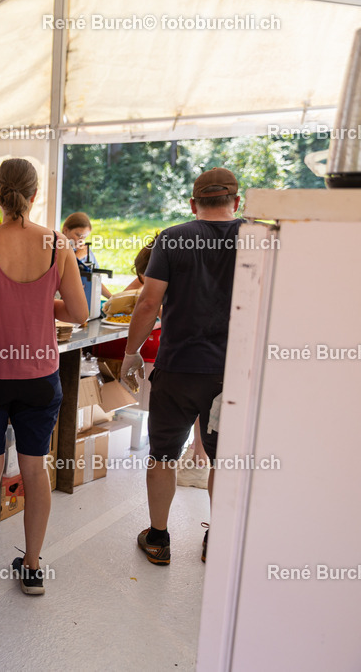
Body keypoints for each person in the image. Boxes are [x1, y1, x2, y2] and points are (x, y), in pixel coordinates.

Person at [0, 158, 88, 595]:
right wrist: (41, 305)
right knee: (35, 471)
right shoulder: (59, 245)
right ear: (35, 195)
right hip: (40, 375)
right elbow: (80, 312)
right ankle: (32, 566)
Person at [121, 167, 243, 566]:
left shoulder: (173, 238)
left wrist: (131, 352)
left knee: (162, 456)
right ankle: (217, 538)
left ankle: (158, 539)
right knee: (224, 460)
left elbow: (147, 302)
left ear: (193, 204)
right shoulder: (256, 238)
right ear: (236, 202)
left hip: (178, 368)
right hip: (232, 374)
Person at [61, 212, 113, 310]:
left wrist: (111, 298)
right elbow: (59, 273)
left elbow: (94, 279)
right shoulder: (55, 248)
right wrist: (77, 257)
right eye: (78, 235)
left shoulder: (86, 252)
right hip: (62, 303)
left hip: (84, 303)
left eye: (84, 237)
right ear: (65, 230)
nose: (81, 240)